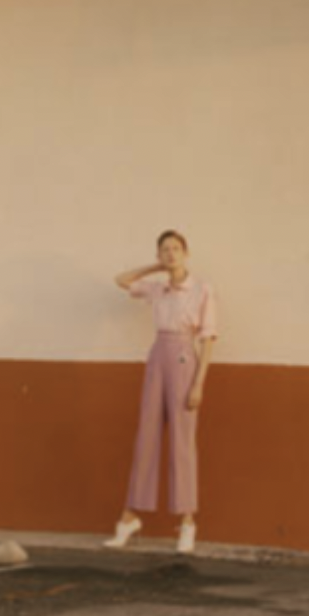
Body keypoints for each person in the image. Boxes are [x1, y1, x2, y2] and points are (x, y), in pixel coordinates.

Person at [105, 230, 217, 555]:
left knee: (182, 442)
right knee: (147, 436)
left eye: (176, 248)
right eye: (164, 250)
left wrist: (199, 383)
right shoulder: (157, 288)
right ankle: (130, 518)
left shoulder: (202, 289)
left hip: (184, 358)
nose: (170, 254)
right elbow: (121, 280)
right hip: (157, 356)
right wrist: (155, 268)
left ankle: (187, 523)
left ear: (186, 252)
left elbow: (208, 338)